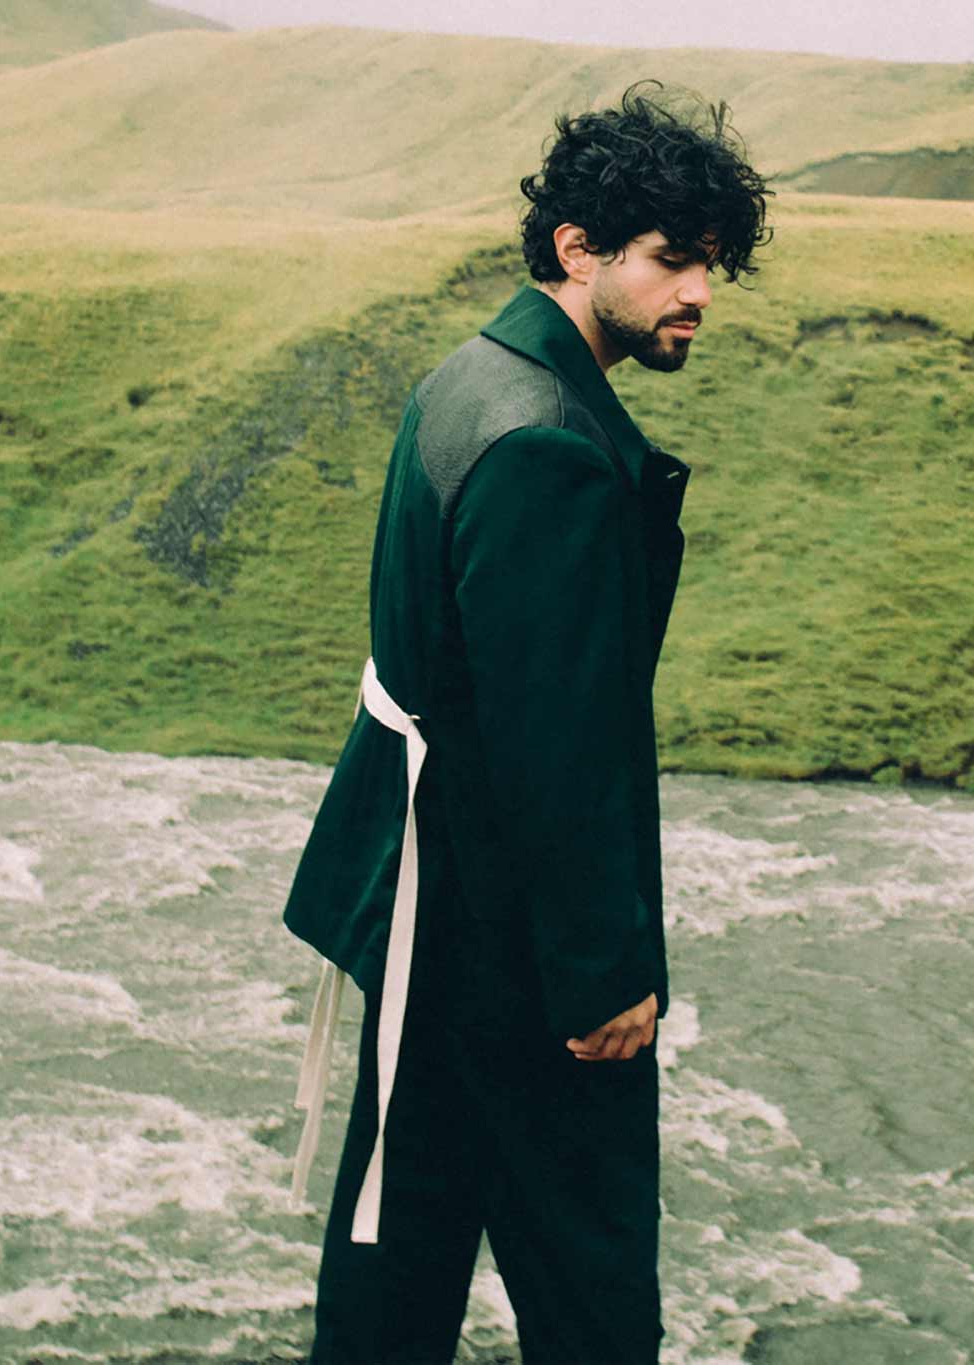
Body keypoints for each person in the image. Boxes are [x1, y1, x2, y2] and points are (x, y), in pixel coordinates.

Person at [277, 80, 773, 1364]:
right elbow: (553, 748)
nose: (697, 293)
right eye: (670, 260)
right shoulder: (546, 443)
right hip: (517, 951)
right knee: (587, 1287)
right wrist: (603, 973)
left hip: (428, 914)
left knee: (399, 1242)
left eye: (711, 264)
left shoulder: (470, 375)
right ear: (577, 248)